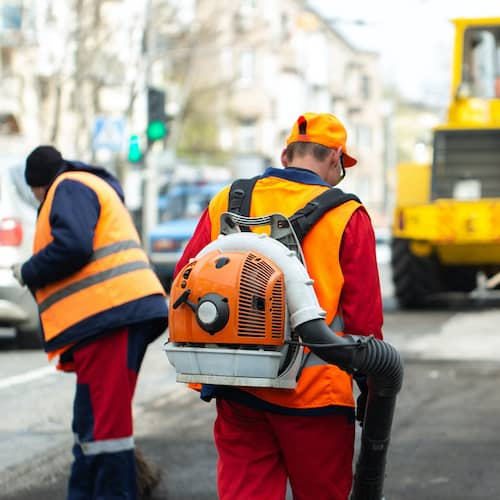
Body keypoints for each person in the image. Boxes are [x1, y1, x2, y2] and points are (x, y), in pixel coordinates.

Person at [173, 112, 384, 500]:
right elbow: (364, 321)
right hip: (315, 397)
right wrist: (373, 389)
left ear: (286, 156)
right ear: (335, 159)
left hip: (240, 386)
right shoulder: (346, 215)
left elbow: (186, 276)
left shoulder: (229, 199)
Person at [11, 145, 168, 500]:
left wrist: (28, 270)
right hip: (111, 318)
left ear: (37, 185)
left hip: (109, 317)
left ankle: (114, 492)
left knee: (105, 428)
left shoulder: (67, 186)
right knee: (92, 422)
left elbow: (73, 246)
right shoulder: (85, 185)